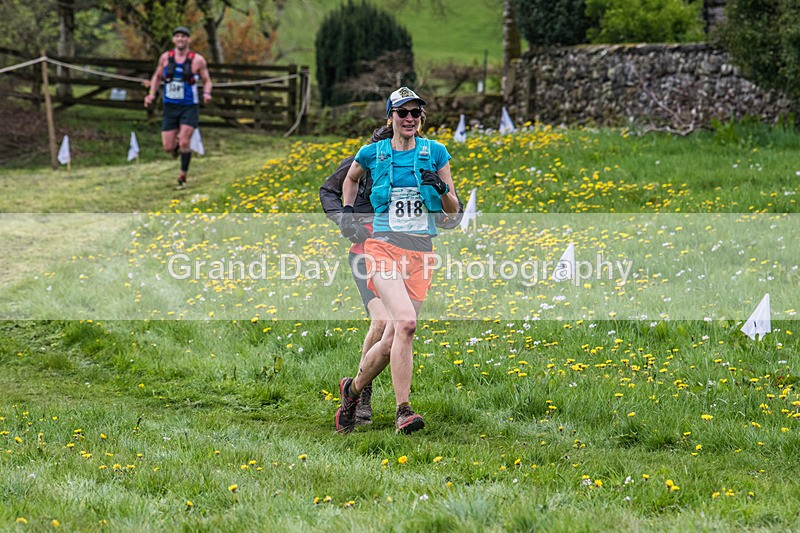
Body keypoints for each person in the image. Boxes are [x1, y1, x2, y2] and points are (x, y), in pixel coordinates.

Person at [334, 87, 460, 434]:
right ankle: (403, 410)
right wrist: (348, 211)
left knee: (391, 340)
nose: (409, 118)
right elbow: (350, 178)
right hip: (383, 248)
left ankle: (352, 391)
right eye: (402, 112)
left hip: (420, 252)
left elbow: (453, 212)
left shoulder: (436, 152)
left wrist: (442, 190)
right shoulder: (372, 153)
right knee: (406, 323)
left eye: (415, 113)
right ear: (390, 117)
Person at [144, 26, 212, 190]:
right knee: (167, 147)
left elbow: (207, 80)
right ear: (173, 39)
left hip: (189, 106)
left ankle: (182, 176)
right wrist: (151, 94)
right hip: (170, 106)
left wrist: (206, 93)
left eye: (184, 36)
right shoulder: (165, 58)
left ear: (188, 39)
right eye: (178, 36)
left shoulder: (197, 60)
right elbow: (157, 76)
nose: (180, 39)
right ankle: (177, 149)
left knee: (184, 141)